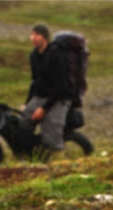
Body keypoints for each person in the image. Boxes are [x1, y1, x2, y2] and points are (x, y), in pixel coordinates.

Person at [23, 23, 71, 156]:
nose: (33, 38)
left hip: (60, 98)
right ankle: (31, 154)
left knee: (51, 129)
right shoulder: (34, 56)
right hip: (41, 96)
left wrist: (44, 109)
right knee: (23, 123)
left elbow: (61, 85)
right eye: (32, 35)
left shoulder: (56, 55)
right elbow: (35, 82)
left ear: (45, 37)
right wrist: (27, 102)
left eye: (36, 35)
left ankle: (59, 159)